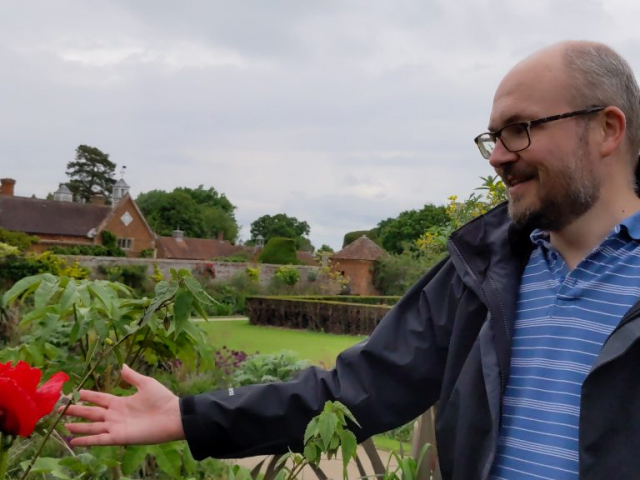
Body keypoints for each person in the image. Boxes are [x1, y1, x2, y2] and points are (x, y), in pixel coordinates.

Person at [64, 40, 640, 480]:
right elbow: (354, 388)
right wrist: (189, 417)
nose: (497, 158)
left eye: (520, 130)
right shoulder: (484, 272)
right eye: (492, 137)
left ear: (606, 129)